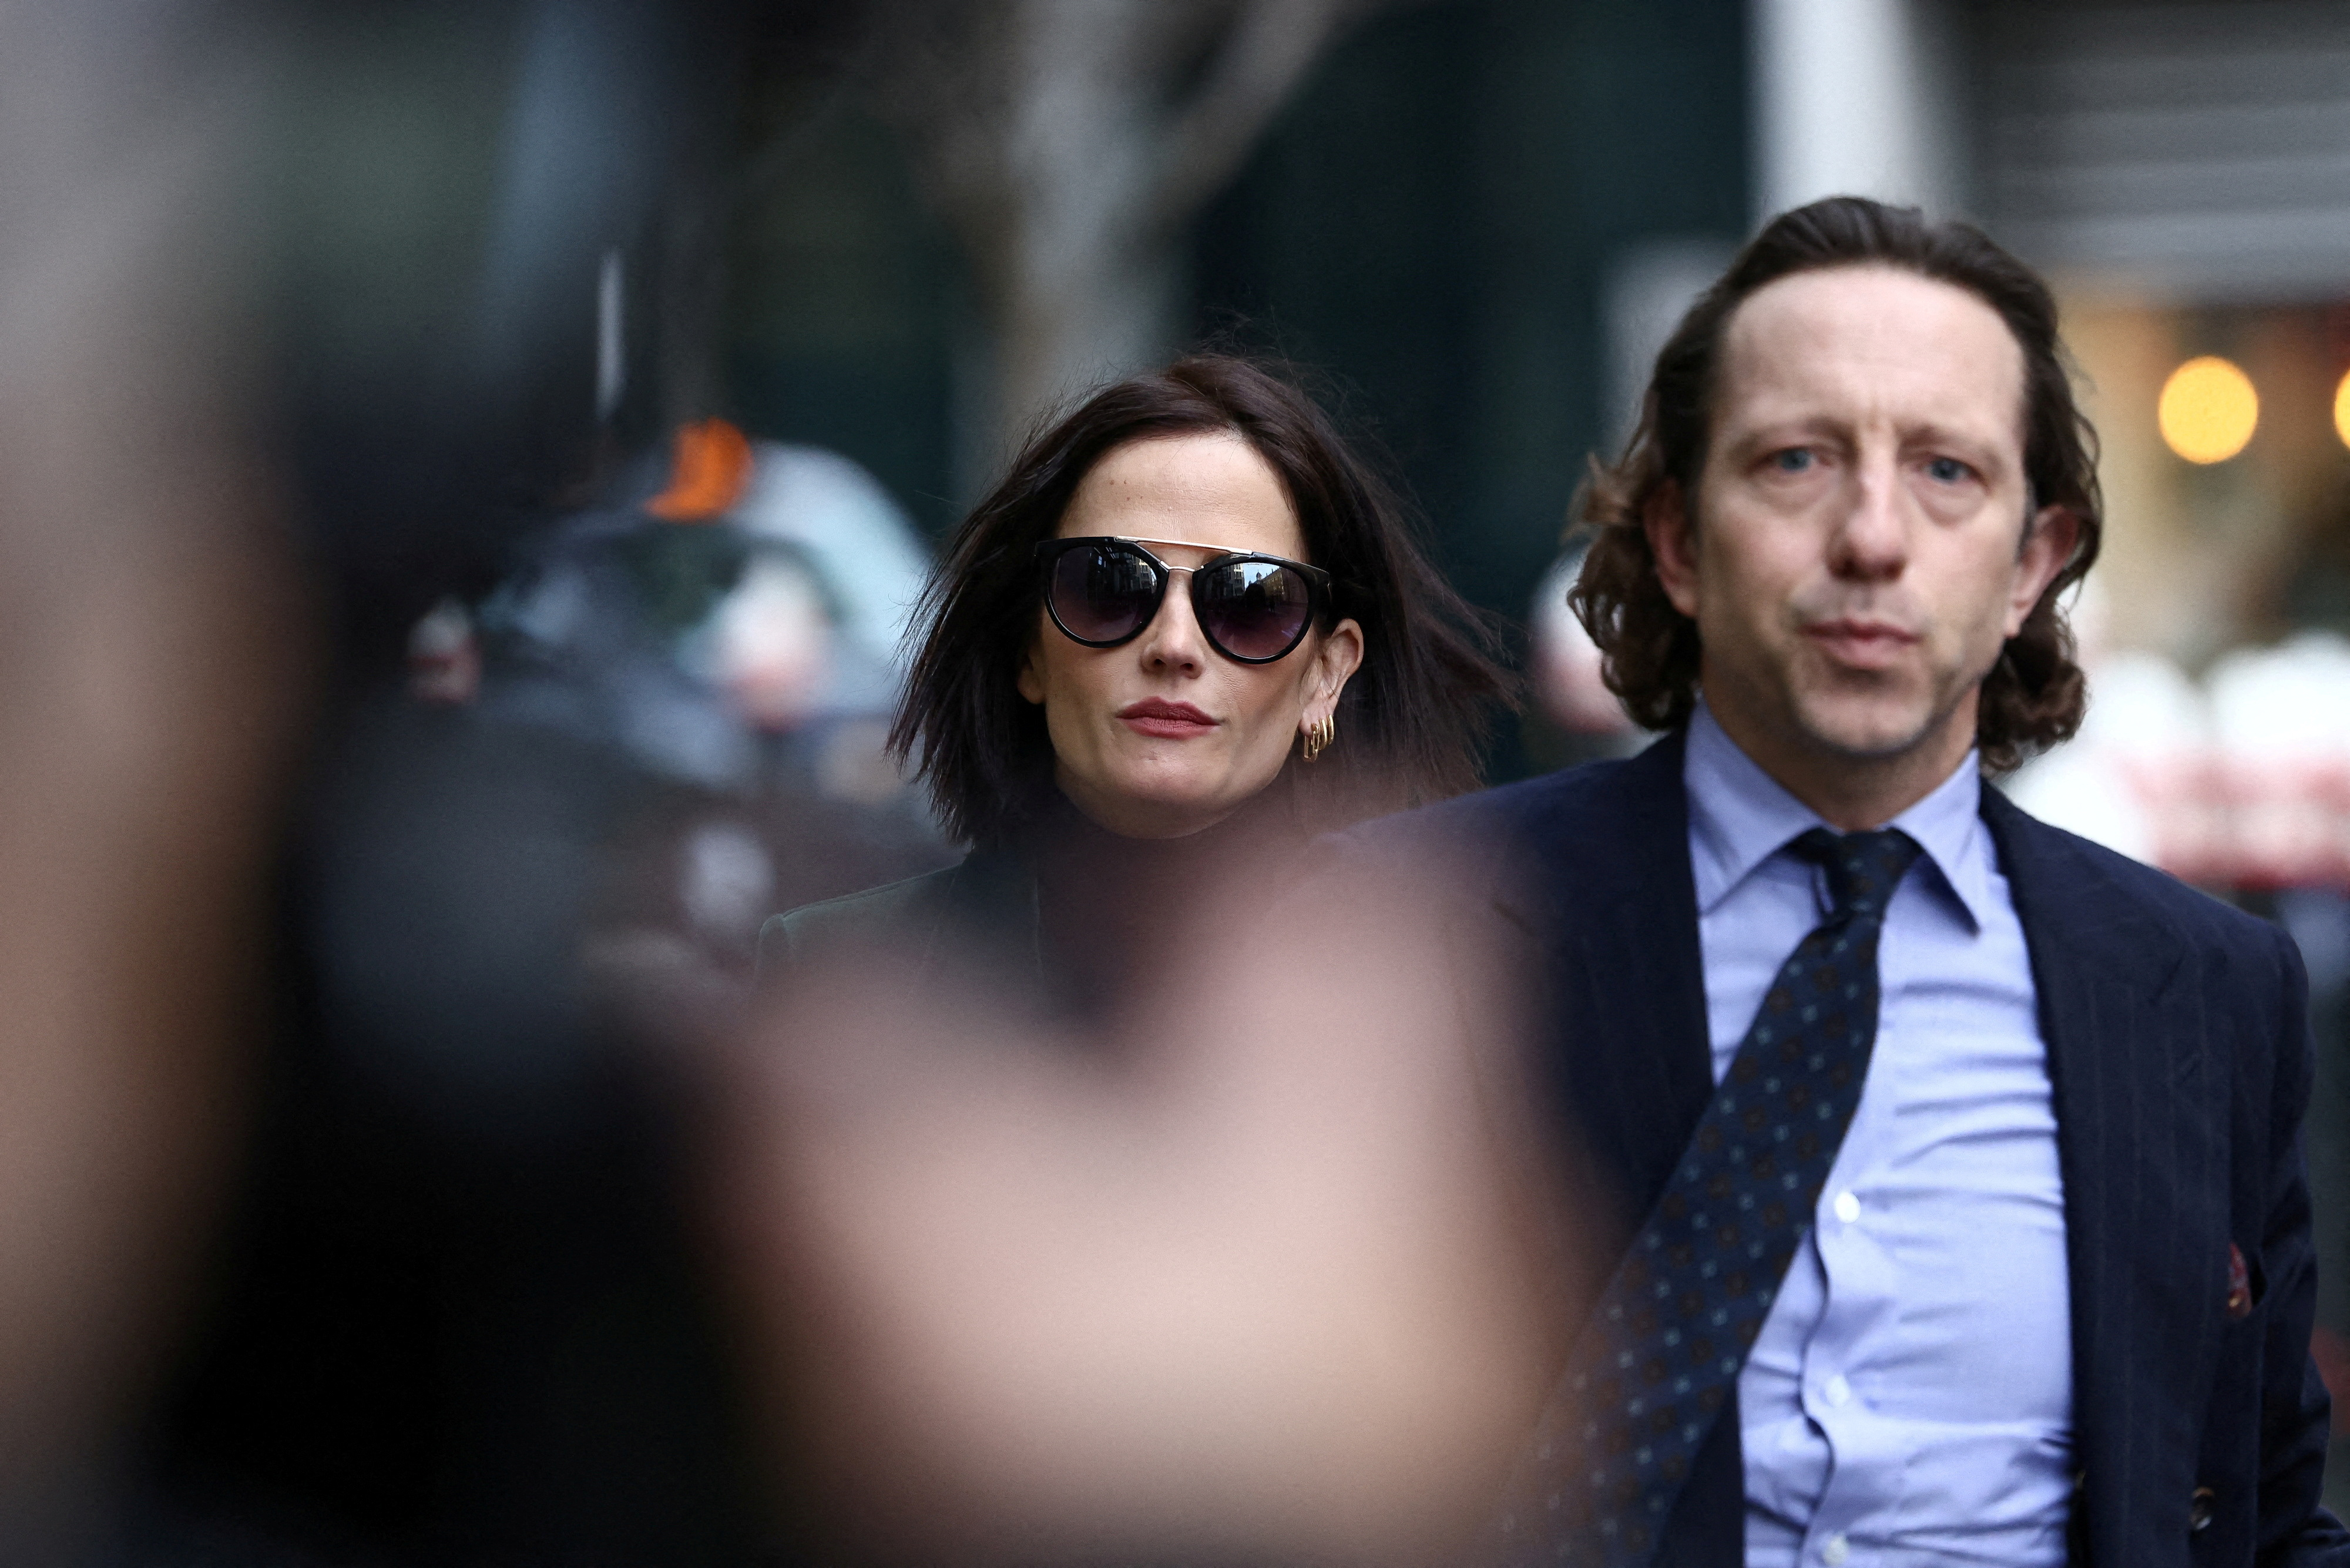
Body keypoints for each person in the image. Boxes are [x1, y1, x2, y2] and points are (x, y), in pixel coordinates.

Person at [1354, 197, 2350, 1568]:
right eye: (1797, 459)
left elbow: (2270, 1510)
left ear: (2031, 566)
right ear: (1677, 542)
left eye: (1946, 470)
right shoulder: (1405, 937)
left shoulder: (2207, 992)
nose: (1871, 536)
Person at [757, 353, 1508, 1003]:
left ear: (1325, 675)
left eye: (1248, 600)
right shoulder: (835, 985)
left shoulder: (1459, 1004)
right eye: (1109, 585)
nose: (1173, 644)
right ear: (1026, 649)